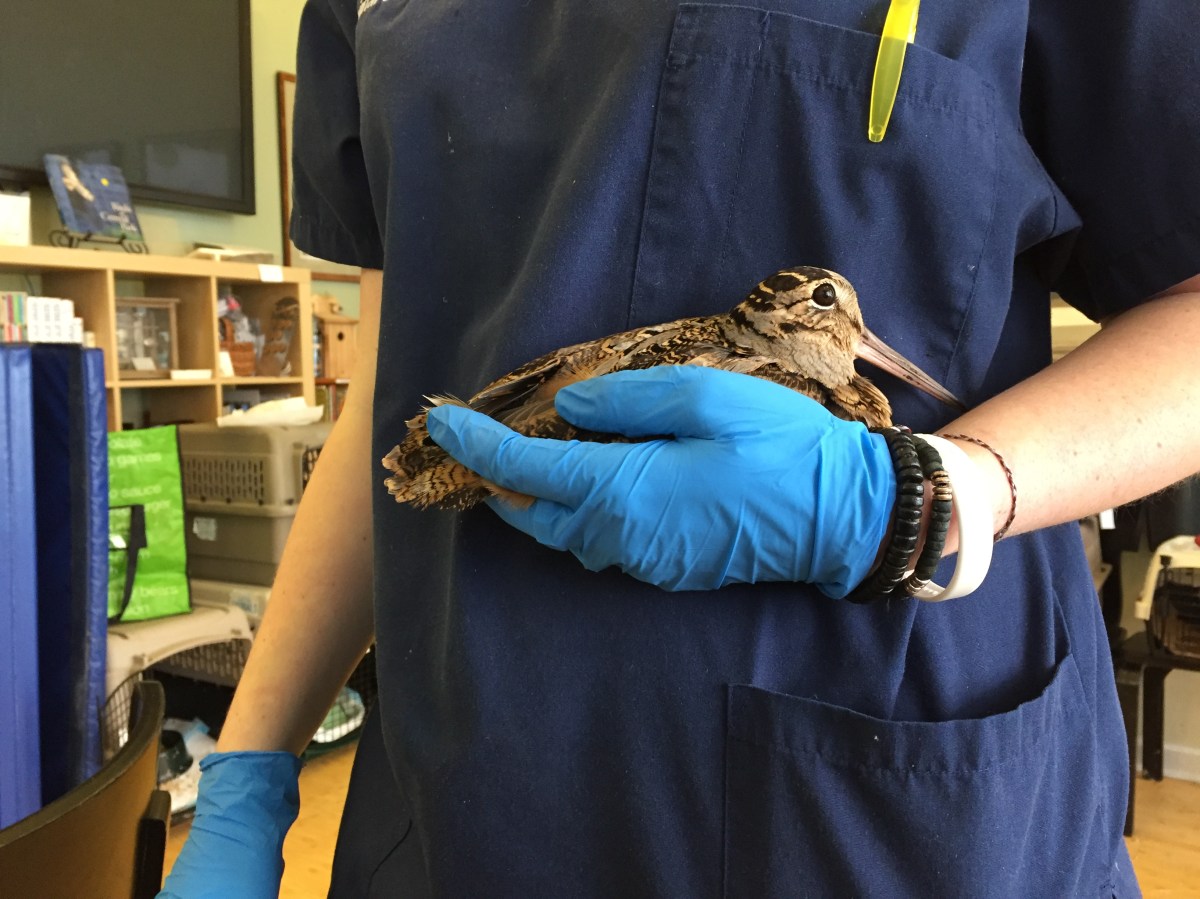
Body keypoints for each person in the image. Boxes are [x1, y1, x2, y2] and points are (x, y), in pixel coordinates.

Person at [161, 1, 1200, 895]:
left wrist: (936, 491)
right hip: (465, 798)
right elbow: (398, 398)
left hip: (876, 809)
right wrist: (247, 775)